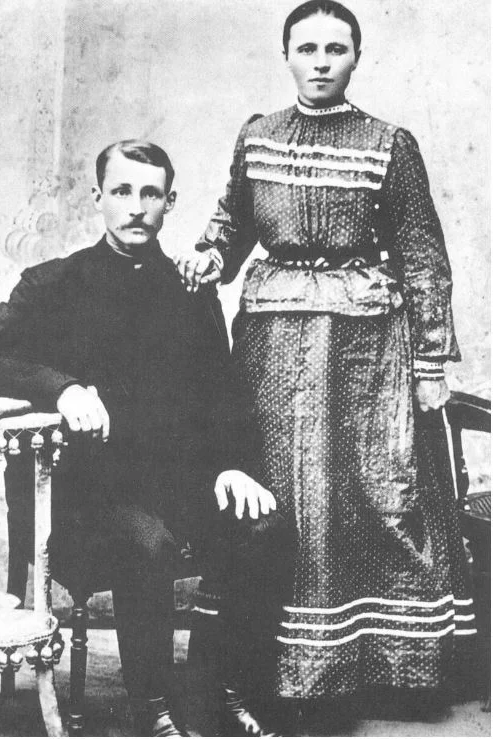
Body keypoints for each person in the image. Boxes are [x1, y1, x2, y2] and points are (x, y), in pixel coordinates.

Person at [175, 0, 477, 731]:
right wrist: (210, 255)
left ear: (356, 58)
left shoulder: (388, 143)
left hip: (365, 349)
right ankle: (267, 671)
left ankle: (383, 671)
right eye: (306, 48)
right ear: (285, 55)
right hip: (271, 344)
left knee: (372, 492)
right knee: (281, 494)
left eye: (334, 49)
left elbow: (423, 257)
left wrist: (429, 362)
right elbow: (231, 223)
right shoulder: (258, 134)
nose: (319, 62)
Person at [0, 139, 278, 737]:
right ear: (98, 198)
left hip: (174, 485)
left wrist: (232, 466)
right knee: (148, 544)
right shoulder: (54, 283)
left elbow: (222, 393)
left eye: (150, 194)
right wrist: (62, 388)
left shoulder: (190, 290)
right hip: (82, 496)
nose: (136, 207)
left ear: (171, 201)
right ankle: (153, 710)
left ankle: (217, 690)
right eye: (122, 191)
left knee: (263, 526)